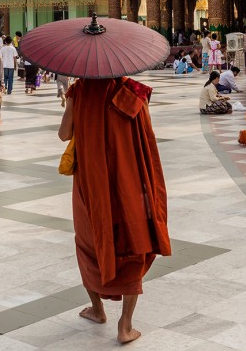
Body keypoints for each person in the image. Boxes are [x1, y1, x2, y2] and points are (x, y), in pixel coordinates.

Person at [58, 76, 170, 344]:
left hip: (91, 183)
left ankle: (97, 310)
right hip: (128, 180)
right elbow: (146, 138)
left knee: (89, 243)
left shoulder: (78, 90)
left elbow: (64, 134)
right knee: (134, 243)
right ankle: (125, 325)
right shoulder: (134, 91)